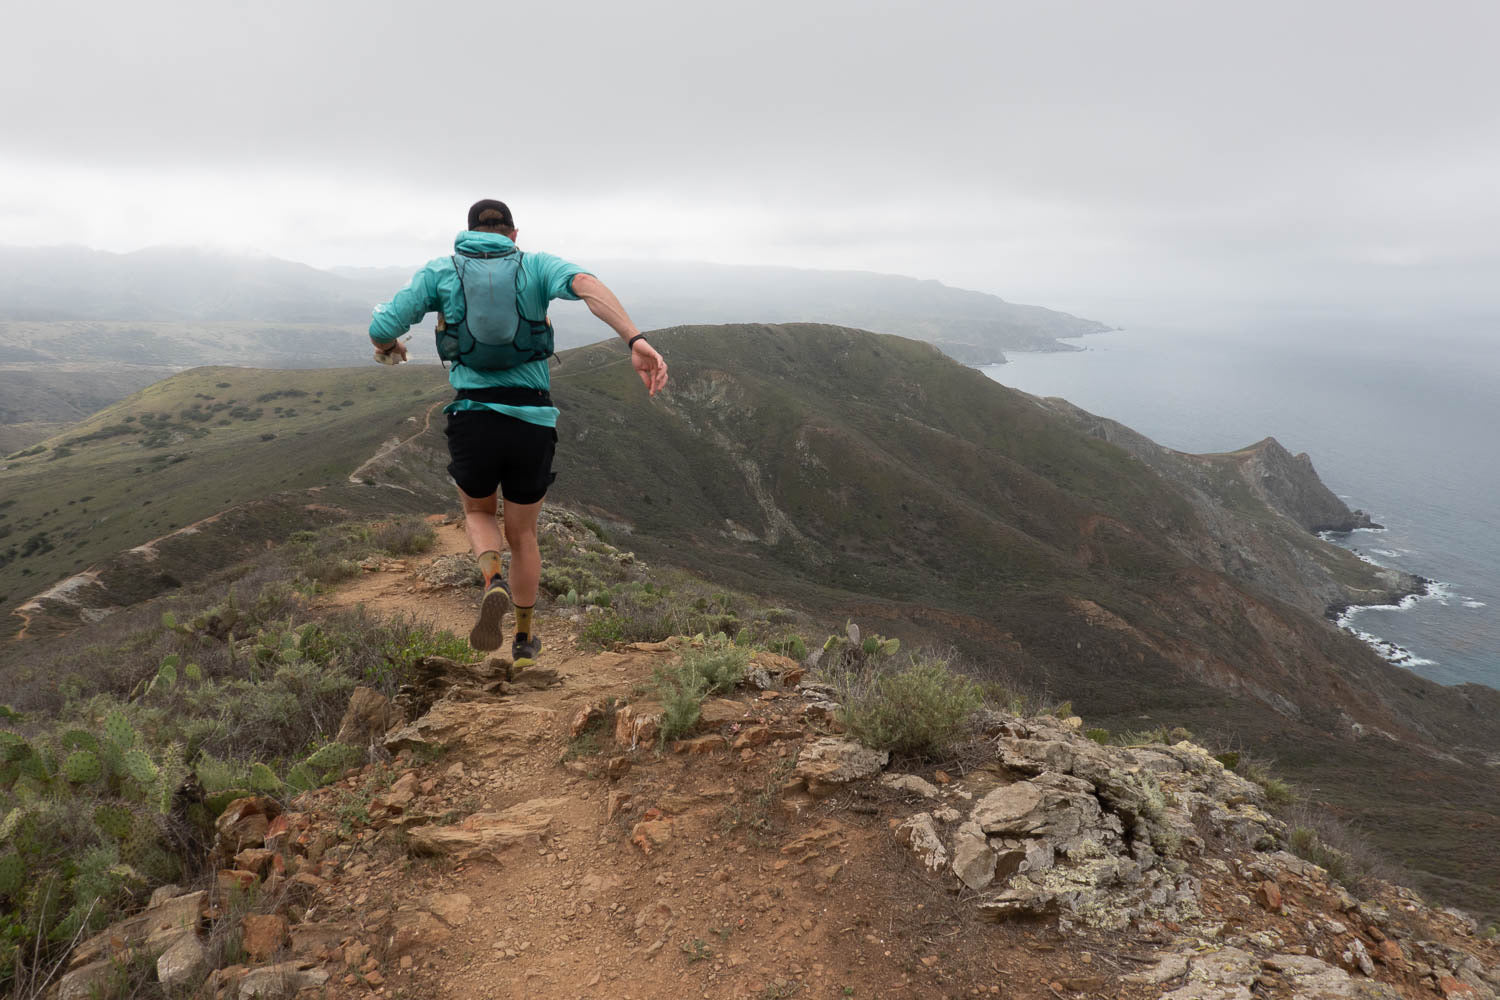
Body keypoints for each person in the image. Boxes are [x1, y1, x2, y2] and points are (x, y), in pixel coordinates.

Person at [368, 199, 667, 665]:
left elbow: (380, 328)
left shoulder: (439, 271)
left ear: (468, 233)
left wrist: (393, 347)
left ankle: (493, 580)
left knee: (478, 513)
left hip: (473, 418)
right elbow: (587, 286)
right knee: (524, 534)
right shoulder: (536, 266)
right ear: (513, 233)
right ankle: (525, 640)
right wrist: (636, 339)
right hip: (532, 420)